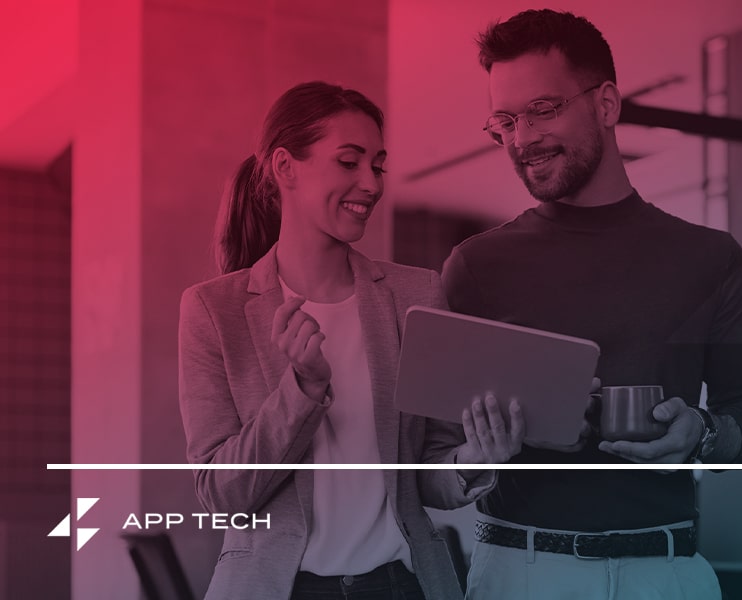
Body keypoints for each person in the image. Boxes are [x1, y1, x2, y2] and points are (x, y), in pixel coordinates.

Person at [441, 10, 742, 599]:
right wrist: (480, 453)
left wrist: (699, 432)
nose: (522, 139)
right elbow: (435, 456)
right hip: (521, 573)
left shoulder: (710, 258)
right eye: (505, 120)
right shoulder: (475, 267)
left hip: (666, 573)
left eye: (543, 110)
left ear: (607, 104)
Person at [178, 81, 523, 600]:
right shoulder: (213, 309)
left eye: (377, 165)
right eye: (349, 162)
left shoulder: (416, 293)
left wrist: (475, 457)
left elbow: (425, 473)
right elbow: (220, 495)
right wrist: (302, 391)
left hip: (399, 585)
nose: (371, 183)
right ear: (284, 167)